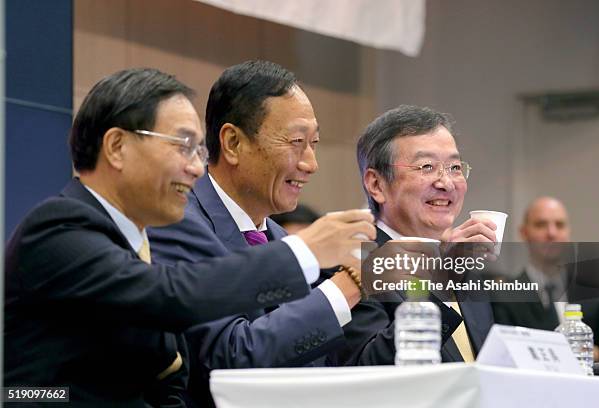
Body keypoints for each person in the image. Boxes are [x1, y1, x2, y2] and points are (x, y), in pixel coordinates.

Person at [4, 68, 371, 406]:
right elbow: (170, 294)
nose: (196, 167)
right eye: (182, 146)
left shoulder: (135, 239)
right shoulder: (59, 225)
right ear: (117, 147)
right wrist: (304, 252)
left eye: (198, 149)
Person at [149, 60, 374, 406]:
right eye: (297, 141)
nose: (311, 163)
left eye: (314, 142)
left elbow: (313, 370)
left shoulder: (283, 241)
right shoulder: (177, 224)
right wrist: (348, 283)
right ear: (233, 143)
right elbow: (228, 361)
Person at [331, 104, 497, 366]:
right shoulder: (350, 266)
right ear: (376, 184)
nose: (446, 183)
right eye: (427, 167)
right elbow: (366, 369)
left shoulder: (464, 271)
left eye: (454, 167)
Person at [492, 196, 599, 361]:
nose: (552, 233)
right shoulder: (504, 296)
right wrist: (584, 351)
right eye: (541, 224)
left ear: (568, 232)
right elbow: (507, 354)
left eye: (559, 225)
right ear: (524, 233)